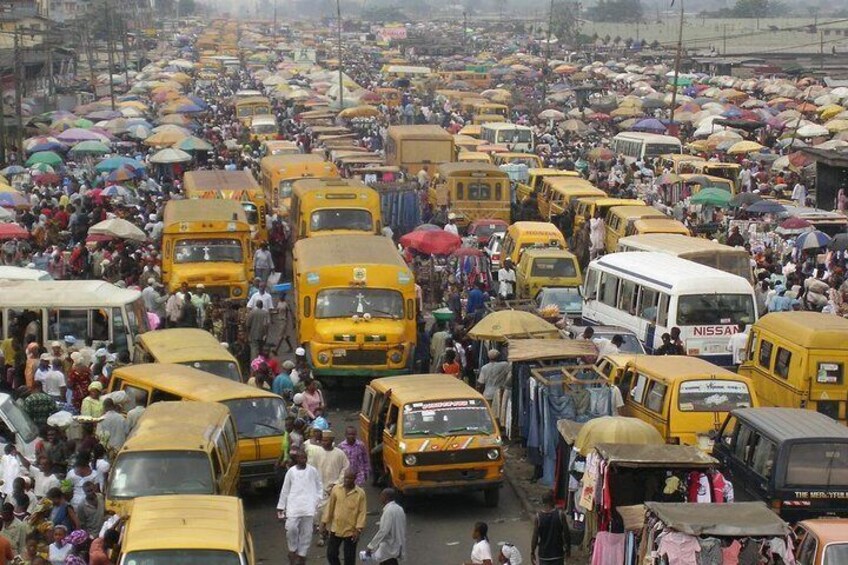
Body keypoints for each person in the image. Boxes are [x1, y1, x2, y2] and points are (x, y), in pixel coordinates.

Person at [277, 448, 322, 565]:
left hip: (308, 507)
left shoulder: (312, 471)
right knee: (291, 528)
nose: (303, 460)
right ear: (296, 459)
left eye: (305, 458)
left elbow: (319, 486)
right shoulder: (291, 472)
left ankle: (302, 554)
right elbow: (285, 490)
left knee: (307, 532)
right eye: (301, 458)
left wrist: (317, 500)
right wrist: (281, 506)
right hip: (293, 506)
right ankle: (292, 549)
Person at [321, 469, 367, 565]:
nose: (347, 480)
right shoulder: (336, 489)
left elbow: (362, 512)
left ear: (354, 479)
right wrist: (324, 523)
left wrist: (358, 530)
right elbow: (330, 506)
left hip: (351, 531)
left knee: (349, 558)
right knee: (331, 554)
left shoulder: (360, 493)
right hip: (336, 528)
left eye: (350, 478)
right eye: (345, 478)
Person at [365, 488, 406, 565]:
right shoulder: (399, 509)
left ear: (386, 497)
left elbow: (383, 531)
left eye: (381, 496)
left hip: (388, 546)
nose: (380, 498)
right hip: (397, 544)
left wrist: (371, 546)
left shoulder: (388, 511)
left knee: (387, 561)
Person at [531, 491, 571, 565]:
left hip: (544, 555)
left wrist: (532, 552)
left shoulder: (538, 517)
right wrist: (568, 549)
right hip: (558, 554)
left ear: (543, 502)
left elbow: (535, 537)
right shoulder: (560, 515)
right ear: (553, 500)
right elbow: (566, 534)